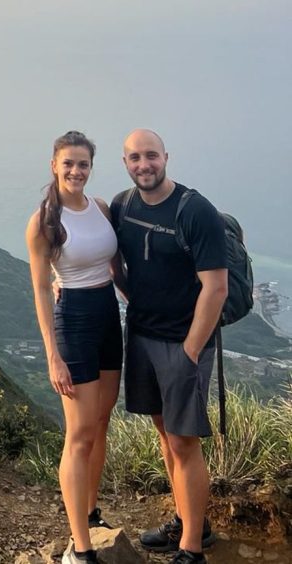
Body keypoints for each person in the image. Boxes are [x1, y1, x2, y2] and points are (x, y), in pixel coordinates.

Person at [111, 129, 227, 564]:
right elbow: (116, 261)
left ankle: (192, 549)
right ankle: (189, 519)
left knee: (183, 442)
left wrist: (191, 351)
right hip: (141, 335)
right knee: (165, 435)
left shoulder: (195, 210)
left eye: (152, 156)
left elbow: (215, 288)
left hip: (183, 343)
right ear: (125, 162)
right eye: (135, 158)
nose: (145, 165)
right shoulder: (123, 205)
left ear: (166, 158)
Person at [26, 131, 123, 564]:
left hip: (107, 315)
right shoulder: (45, 222)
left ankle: (91, 511)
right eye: (68, 163)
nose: (76, 171)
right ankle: (80, 548)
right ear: (54, 165)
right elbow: (42, 291)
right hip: (75, 321)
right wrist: (53, 355)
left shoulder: (100, 208)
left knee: (101, 421)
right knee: (79, 434)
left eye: (82, 164)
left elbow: (114, 267)